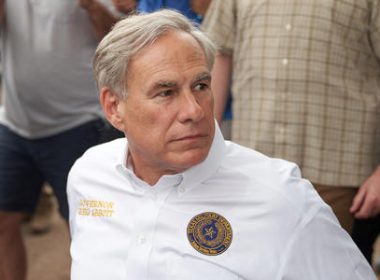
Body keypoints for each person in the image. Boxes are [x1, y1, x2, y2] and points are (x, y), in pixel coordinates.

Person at [67, 10, 376, 279]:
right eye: (166, 92)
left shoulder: (283, 201)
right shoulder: (89, 176)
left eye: (201, 86)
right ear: (113, 107)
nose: (194, 111)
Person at [202, 0, 380, 265]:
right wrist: (206, 140)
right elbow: (218, 52)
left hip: (339, 174)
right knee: (252, 266)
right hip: (253, 164)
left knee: (331, 268)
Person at [0, 0, 123, 279]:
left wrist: (92, 6)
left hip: (79, 123)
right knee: (3, 221)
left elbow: (119, 44)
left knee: (87, 228)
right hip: (16, 122)